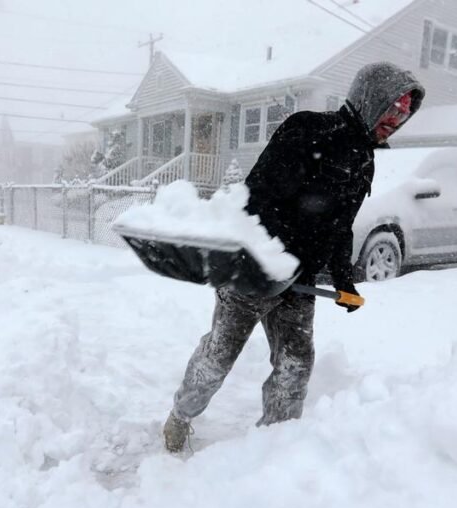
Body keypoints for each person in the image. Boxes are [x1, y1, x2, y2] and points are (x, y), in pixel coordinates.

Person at [163, 62, 425, 452]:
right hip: (251, 273)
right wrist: (257, 257)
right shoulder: (309, 129)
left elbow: (341, 226)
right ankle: (180, 418)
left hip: (298, 284)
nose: (397, 117)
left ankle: (274, 447)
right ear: (371, 99)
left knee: (295, 367)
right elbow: (256, 195)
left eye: (405, 111)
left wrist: (343, 280)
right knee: (218, 357)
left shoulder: (365, 159)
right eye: (394, 106)